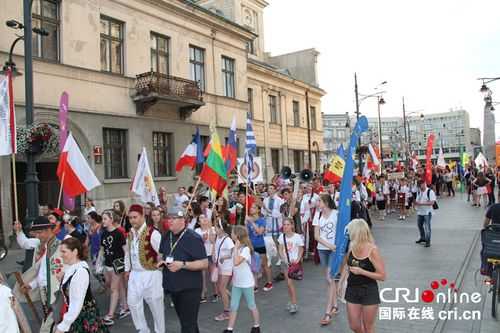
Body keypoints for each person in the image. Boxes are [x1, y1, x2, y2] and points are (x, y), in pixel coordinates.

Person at [158, 207, 208, 333]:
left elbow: (204, 263)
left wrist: (182, 264)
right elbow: (161, 254)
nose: (170, 221)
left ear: (182, 221)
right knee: (187, 322)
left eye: (174, 218)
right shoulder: (166, 235)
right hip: (173, 286)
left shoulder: (193, 237)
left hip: (190, 288)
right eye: (169, 218)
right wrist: (161, 262)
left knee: (187, 325)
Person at [13, 217, 64, 333]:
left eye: (39, 232)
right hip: (45, 294)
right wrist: (31, 284)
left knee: (49, 327)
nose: (37, 236)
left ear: (48, 230)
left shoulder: (61, 247)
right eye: (35, 233)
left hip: (56, 296)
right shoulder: (47, 246)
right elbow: (43, 272)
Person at [124, 204, 165, 333]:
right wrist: (127, 269)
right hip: (135, 274)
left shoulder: (153, 233)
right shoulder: (130, 234)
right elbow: (128, 253)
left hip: (151, 273)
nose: (132, 220)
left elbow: (162, 252)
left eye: (135, 217)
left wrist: (161, 265)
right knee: (133, 303)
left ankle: (160, 331)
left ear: (142, 216)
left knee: (155, 305)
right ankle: (143, 330)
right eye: (130, 218)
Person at [340, 219, 386, 333]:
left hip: (368, 290)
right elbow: (346, 266)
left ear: (356, 232)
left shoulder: (372, 250)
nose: (348, 234)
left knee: (368, 327)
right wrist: (341, 282)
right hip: (352, 289)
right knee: (354, 326)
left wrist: (362, 271)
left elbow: (382, 276)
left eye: (350, 231)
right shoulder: (351, 246)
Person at [54, 237, 109, 333]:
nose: (61, 255)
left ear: (75, 252)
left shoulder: (80, 272)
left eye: (64, 252)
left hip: (82, 317)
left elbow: (76, 303)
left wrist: (63, 326)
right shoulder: (72, 268)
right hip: (76, 316)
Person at [223, 226, 261, 333]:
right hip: (237, 282)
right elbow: (231, 257)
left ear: (237, 235)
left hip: (247, 283)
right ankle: (229, 329)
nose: (231, 234)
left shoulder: (246, 249)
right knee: (233, 306)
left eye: (232, 233)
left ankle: (256, 326)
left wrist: (235, 248)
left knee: (251, 305)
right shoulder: (238, 248)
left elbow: (236, 262)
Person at [99, 210, 129, 326]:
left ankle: (110, 315)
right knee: (117, 285)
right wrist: (99, 263)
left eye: (105, 219)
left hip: (118, 263)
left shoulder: (119, 233)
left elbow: (125, 250)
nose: (103, 221)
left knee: (113, 288)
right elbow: (102, 249)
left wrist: (127, 265)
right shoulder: (104, 233)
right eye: (102, 219)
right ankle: (125, 307)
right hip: (107, 263)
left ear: (111, 219)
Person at [313, 194, 339, 326]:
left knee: (330, 279)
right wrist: (329, 245)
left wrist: (339, 246)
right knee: (330, 279)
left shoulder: (336, 213)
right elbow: (316, 236)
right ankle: (335, 304)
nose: (317, 203)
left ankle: (328, 312)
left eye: (319, 201)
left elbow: (342, 229)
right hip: (323, 249)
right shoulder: (317, 215)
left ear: (326, 202)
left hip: (334, 251)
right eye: (317, 201)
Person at [278, 218, 304, 314]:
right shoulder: (282, 237)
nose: (285, 226)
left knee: (290, 283)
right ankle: (292, 301)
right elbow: (280, 249)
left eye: (288, 224)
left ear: (292, 226)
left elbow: (301, 249)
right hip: (285, 263)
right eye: (284, 224)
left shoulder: (297, 237)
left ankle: (294, 303)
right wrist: (283, 258)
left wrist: (297, 259)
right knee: (288, 284)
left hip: (293, 264)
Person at [246, 202, 273, 292]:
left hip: (260, 245)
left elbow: (260, 232)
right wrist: (246, 224)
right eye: (251, 207)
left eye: (253, 207)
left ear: (258, 210)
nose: (251, 209)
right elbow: (247, 234)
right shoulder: (249, 220)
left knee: (264, 264)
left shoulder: (261, 220)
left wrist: (251, 222)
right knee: (253, 264)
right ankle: (255, 284)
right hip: (252, 245)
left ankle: (269, 282)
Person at [213, 218, 235, 322]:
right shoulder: (218, 237)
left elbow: (232, 252)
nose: (215, 229)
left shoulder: (227, 239)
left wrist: (223, 257)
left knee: (221, 288)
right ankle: (231, 298)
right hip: (220, 266)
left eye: (216, 227)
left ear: (221, 228)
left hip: (227, 266)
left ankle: (227, 312)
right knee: (221, 287)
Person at [194, 214, 216, 303]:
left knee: (213, 274)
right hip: (202, 255)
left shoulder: (213, 229)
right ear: (199, 222)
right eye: (201, 218)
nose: (204, 219)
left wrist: (210, 228)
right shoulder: (197, 231)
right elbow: (196, 244)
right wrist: (202, 240)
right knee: (202, 275)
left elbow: (212, 241)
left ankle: (216, 293)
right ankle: (203, 293)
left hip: (210, 254)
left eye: (205, 217)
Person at [415, 180, 436, 248]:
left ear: (424, 184)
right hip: (420, 212)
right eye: (419, 186)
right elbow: (417, 200)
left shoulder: (430, 191)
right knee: (419, 225)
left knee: (427, 227)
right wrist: (416, 203)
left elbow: (432, 202)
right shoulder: (419, 191)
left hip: (427, 212)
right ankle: (422, 237)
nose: (420, 187)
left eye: (421, 185)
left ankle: (428, 241)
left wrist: (421, 203)